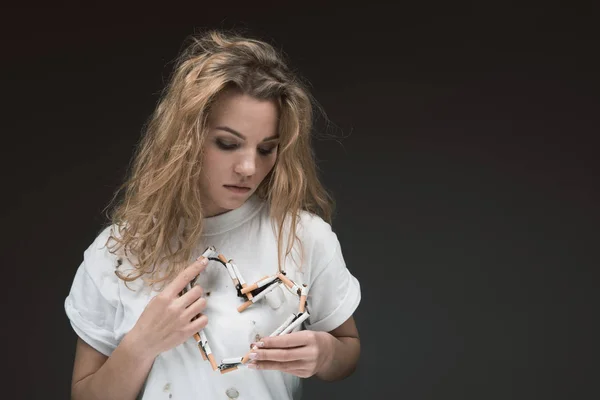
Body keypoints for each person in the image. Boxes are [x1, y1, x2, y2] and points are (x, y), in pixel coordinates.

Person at [64, 29, 361, 400]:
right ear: (185, 140)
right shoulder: (116, 252)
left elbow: (347, 350)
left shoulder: (303, 236)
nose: (249, 167)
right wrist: (141, 344)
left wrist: (326, 354)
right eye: (227, 144)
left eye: (266, 149)